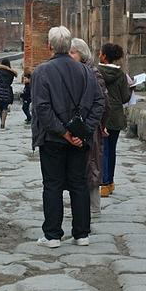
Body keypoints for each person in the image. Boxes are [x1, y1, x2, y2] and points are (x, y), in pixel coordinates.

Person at [31, 26, 105, 248]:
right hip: (79, 140)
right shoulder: (84, 71)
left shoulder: (41, 72)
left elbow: (42, 109)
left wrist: (64, 133)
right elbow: (99, 102)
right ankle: (81, 233)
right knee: (78, 183)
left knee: (52, 185)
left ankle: (52, 235)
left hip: (53, 139)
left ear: (50, 46)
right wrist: (82, 132)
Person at [69, 38, 110, 216]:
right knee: (80, 165)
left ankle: (94, 207)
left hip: (90, 126)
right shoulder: (76, 70)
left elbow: (103, 101)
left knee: (92, 164)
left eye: (72, 52)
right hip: (80, 125)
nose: (70, 56)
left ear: (81, 53)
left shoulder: (93, 72)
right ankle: (81, 206)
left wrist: (101, 123)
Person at [97, 43, 130, 197]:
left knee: (102, 149)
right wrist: (131, 88)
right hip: (115, 115)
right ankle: (109, 182)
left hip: (101, 114)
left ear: (104, 56)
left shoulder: (96, 72)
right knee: (112, 149)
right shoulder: (121, 74)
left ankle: (103, 183)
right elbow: (125, 98)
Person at [0, 58, 18, 129]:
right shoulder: (11, 73)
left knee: (0, 107)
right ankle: (3, 123)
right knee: (5, 107)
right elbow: (10, 82)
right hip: (8, 90)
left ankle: (1, 122)